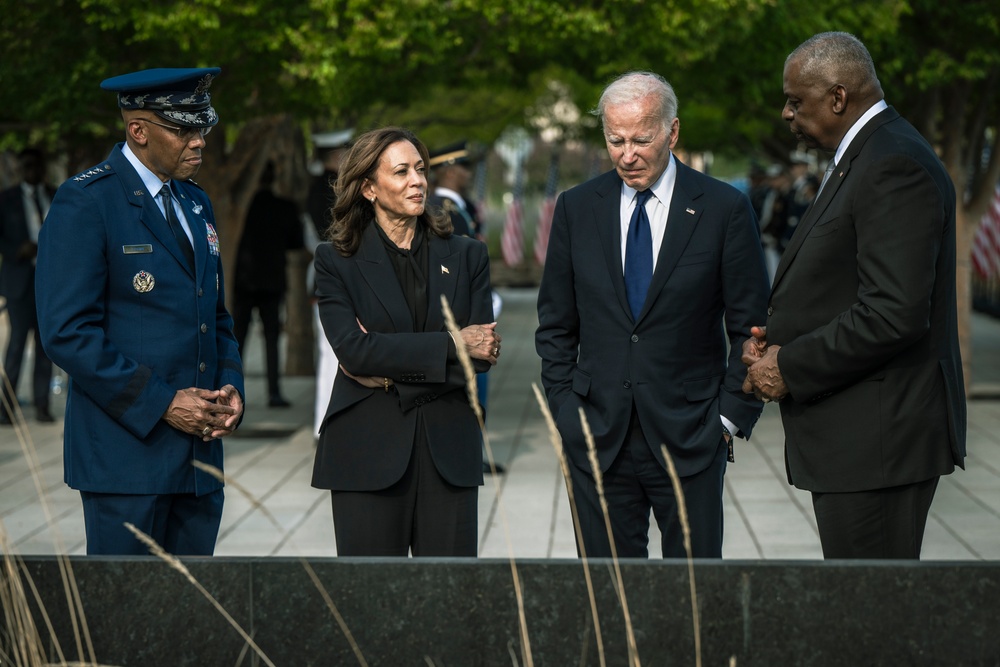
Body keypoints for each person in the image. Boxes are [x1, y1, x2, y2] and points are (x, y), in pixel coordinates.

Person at [742, 32, 966, 559]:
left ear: (838, 97)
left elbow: (893, 312)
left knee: (870, 624)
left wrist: (789, 365)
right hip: (860, 440)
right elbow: (844, 284)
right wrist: (774, 340)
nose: (785, 113)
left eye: (796, 101)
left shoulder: (894, 162)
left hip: (879, 443)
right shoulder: (866, 155)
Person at [535, 71, 769, 559]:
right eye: (615, 140)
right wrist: (565, 410)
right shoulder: (577, 208)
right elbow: (556, 324)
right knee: (609, 601)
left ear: (673, 131)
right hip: (597, 437)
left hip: (691, 436)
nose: (626, 154)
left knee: (691, 598)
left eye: (641, 139)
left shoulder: (723, 208)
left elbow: (751, 326)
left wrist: (727, 419)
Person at [35, 67, 245, 555]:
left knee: (193, 618)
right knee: (124, 622)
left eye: (203, 128)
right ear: (139, 130)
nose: (199, 142)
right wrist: (164, 403)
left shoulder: (196, 203)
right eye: (184, 130)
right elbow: (67, 333)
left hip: (199, 461)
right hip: (127, 458)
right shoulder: (87, 201)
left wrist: (231, 384)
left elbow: (214, 315)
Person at [311, 126, 500, 557]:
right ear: (369, 188)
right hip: (365, 452)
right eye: (401, 172)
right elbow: (353, 351)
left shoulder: (467, 255)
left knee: (449, 603)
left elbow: (483, 355)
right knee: (371, 607)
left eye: (420, 168)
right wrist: (452, 344)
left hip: (449, 451)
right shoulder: (336, 261)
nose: (417, 180)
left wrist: (387, 372)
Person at [428, 141, 504, 474]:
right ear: (446, 169)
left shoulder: (463, 208)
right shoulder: (444, 209)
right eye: (462, 167)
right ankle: (467, 451)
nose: (467, 173)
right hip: (459, 316)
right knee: (468, 384)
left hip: (476, 309)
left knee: (478, 386)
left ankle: (473, 448)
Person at [232, 161, 304, 408]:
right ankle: (274, 393)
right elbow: (296, 242)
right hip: (272, 278)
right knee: (271, 338)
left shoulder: (241, 207)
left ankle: (232, 390)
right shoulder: (285, 207)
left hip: (242, 278)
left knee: (238, 337)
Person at [0, 148, 55, 424]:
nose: (31, 170)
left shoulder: (56, 194)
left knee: (46, 347)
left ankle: (42, 405)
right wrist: (15, 249)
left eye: (36, 165)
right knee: (17, 345)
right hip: (19, 282)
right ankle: (6, 407)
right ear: (21, 168)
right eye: (27, 166)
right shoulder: (6, 199)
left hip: (49, 283)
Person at [307, 129, 353, 439]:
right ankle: (325, 426)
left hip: (328, 272)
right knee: (331, 355)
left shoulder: (325, 188)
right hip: (329, 274)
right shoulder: (326, 191)